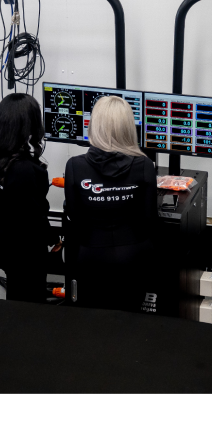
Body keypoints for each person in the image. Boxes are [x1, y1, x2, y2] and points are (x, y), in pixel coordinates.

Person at [63, 95, 158, 312]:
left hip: (90, 256)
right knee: (131, 319)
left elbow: (75, 218)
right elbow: (149, 219)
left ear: (94, 125)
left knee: (93, 322)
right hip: (134, 257)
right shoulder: (145, 165)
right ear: (128, 127)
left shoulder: (74, 166)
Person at [0, 93, 61, 303]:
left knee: (17, 289)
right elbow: (33, 219)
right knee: (29, 302)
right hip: (22, 251)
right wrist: (54, 239)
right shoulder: (23, 170)